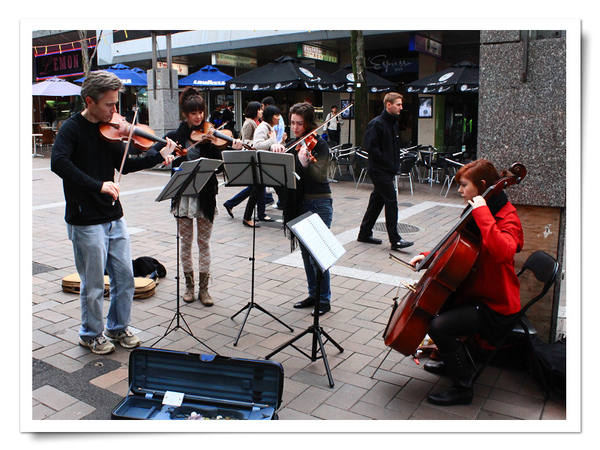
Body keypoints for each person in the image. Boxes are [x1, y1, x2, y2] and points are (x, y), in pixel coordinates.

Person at [51, 71, 177, 355]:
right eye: (110, 104)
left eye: (117, 104)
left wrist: (159, 155)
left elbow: (126, 165)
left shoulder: (110, 131)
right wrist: (99, 185)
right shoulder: (72, 129)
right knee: (94, 284)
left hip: (113, 217)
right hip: (85, 220)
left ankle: (118, 327)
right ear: (90, 101)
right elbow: (58, 163)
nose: (115, 111)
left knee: (125, 278)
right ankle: (90, 333)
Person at [409, 159, 524, 406]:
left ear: (482, 186)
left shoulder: (507, 217)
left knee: (439, 326)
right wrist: (429, 257)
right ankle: (454, 362)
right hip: (475, 294)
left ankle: (463, 387)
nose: (459, 190)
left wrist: (482, 212)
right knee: (434, 310)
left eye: (463, 185)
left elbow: (503, 252)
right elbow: (458, 245)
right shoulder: (477, 211)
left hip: (497, 306)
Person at [153, 87, 243, 306]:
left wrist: (234, 147)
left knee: (204, 242)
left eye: (201, 112)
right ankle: (189, 286)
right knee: (186, 243)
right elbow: (158, 153)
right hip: (183, 194)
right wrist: (172, 155)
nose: (199, 116)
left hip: (206, 194)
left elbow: (219, 167)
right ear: (185, 114)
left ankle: (204, 289)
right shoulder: (176, 136)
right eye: (194, 113)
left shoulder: (210, 135)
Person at [285, 103, 333, 316]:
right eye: (292, 123)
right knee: (306, 253)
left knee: (318, 254)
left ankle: (324, 299)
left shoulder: (319, 145)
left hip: (319, 203)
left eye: (299, 124)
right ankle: (313, 294)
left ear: (309, 123)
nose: (295, 127)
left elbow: (321, 176)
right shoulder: (292, 143)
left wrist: (306, 165)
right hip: (301, 203)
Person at [357, 92, 413, 251]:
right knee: (391, 201)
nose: (401, 108)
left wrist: (395, 164)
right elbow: (371, 147)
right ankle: (395, 239)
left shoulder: (393, 123)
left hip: (387, 170)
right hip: (379, 170)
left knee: (377, 201)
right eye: (398, 104)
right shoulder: (377, 124)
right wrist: (387, 162)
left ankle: (364, 232)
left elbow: (393, 148)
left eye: (401, 105)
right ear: (388, 105)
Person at [222, 101, 269, 227]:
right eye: (259, 109)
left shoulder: (256, 122)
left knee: (258, 186)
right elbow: (245, 142)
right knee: (256, 186)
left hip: (256, 156)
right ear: (254, 110)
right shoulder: (249, 123)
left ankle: (259, 212)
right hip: (252, 158)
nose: (261, 112)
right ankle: (256, 212)